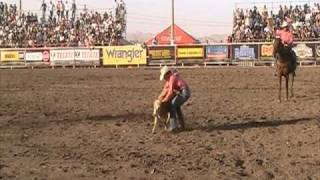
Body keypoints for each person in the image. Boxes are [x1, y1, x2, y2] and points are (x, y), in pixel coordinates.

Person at [158, 66, 191, 132]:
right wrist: (161, 98)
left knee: (172, 105)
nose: (164, 78)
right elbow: (166, 89)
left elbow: (170, 92)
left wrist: (164, 100)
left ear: (166, 74)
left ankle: (173, 127)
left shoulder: (172, 78)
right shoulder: (171, 78)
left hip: (184, 92)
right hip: (184, 92)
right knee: (176, 107)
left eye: (164, 77)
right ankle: (182, 125)